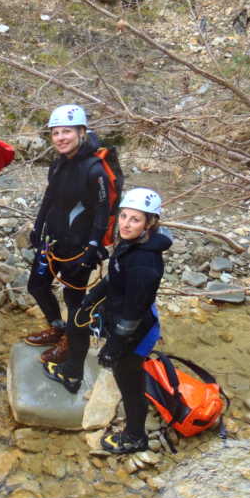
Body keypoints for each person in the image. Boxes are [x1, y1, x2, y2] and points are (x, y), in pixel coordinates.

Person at [43, 187, 170, 454]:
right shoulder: (131, 243)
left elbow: (134, 311)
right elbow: (115, 276)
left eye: (135, 219)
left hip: (135, 330)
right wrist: (91, 299)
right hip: (119, 314)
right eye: (123, 216)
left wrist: (114, 346)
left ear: (150, 223)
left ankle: (135, 436)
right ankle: (71, 373)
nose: (126, 224)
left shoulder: (146, 263)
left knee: (129, 380)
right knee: (77, 324)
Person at [24, 104, 110, 363]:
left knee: (74, 298)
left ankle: (70, 342)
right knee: (37, 285)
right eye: (56, 133)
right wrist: (38, 227)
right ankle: (57, 328)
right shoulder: (58, 163)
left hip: (79, 246)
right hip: (52, 240)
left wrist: (92, 248)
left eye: (67, 132)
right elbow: (49, 198)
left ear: (81, 132)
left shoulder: (95, 170)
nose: (60, 138)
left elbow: (102, 212)